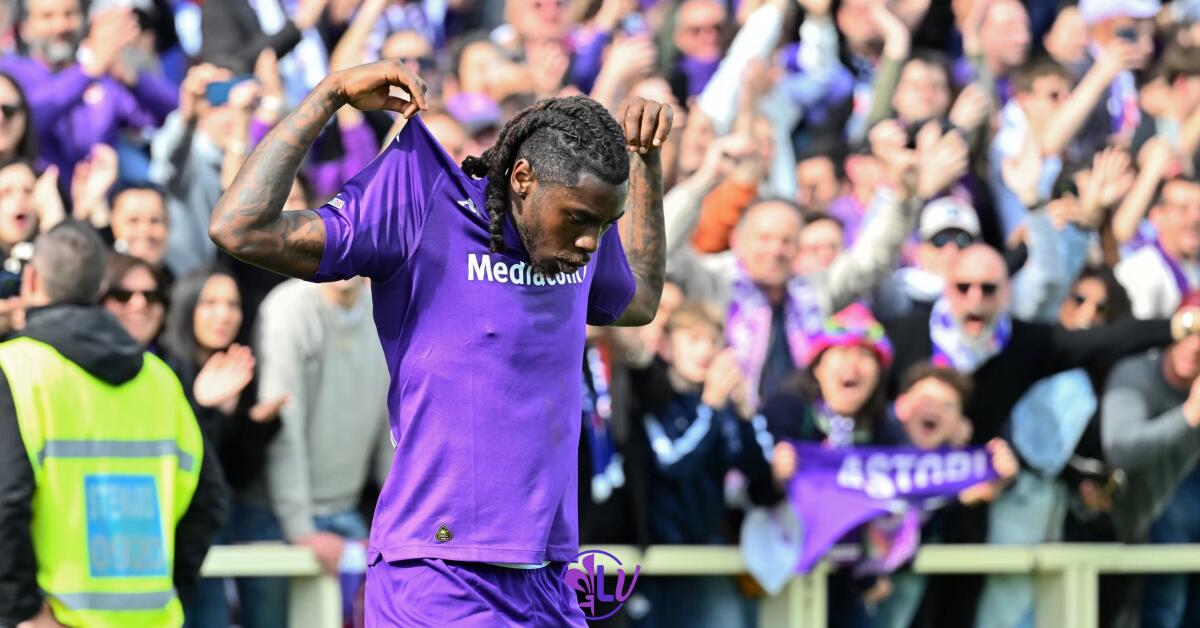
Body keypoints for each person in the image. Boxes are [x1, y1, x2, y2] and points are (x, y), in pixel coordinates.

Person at [208, 58, 670, 625]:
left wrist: (646, 161)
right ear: (522, 178)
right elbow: (240, 228)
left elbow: (640, 299)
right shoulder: (423, 206)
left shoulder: (577, 243)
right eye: (578, 219)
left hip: (547, 576)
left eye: (605, 223)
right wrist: (329, 95)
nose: (591, 241)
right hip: (438, 574)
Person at [0, 221, 227, 627]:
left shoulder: (15, 368)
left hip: (50, 617)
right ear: (101, 286)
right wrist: (171, 590)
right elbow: (208, 501)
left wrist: (24, 610)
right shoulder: (159, 378)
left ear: (31, 280)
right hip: (150, 618)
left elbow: (5, 502)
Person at [618, 299, 773, 628]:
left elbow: (759, 471)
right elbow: (674, 464)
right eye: (693, 339)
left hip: (709, 553)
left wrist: (745, 413)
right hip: (658, 561)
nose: (705, 350)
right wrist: (711, 406)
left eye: (713, 341)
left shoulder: (721, 409)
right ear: (666, 347)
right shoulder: (653, 400)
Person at [160, 267, 287, 628]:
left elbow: (235, 473)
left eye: (232, 304)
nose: (224, 314)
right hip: (184, 524)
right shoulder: (165, 369)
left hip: (229, 514)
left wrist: (256, 426)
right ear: (187, 307)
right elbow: (181, 463)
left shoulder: (240, 368)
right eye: (210, 303)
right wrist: (204, 407)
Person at [255, 275, 392, 576]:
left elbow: (393, 429)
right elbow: (285, 427)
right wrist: (301, 529)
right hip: (277, 516)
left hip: (348, 515)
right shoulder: (289, 308)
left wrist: (394, 523)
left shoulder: (386, 307)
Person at [1101, 291, 1200, 628]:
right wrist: (1188, 416)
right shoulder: (1136, 373)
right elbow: (1120, 449)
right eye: (1191, 331)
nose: (1197, 346)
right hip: (1112, 521)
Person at [1115, 176, 1200, 319]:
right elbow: (1135, 331)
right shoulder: (1141, 271)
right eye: (1182, 208)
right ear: (1157, 216)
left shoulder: (1191, 265)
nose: (1195, 218)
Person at [101, 252, 167, 350]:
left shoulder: (177, 359)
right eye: (122, 296)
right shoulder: (79, 356)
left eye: (150, 296)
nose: (139, 303)